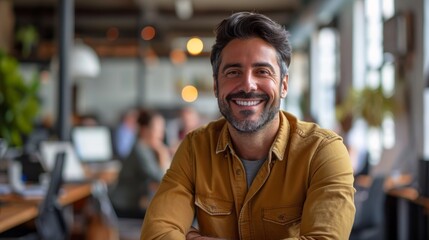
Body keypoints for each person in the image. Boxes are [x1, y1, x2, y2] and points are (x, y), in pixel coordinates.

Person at [141, 12, 355, 239]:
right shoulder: (196, 148)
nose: (247, 84)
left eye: (262, 71)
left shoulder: (322, 151)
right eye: (233, 72)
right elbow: (156, 234)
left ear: (283, 85)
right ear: (216, 86)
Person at [109, 108, 171, 218]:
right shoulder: (140, 149)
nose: (161, 134)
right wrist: (163, 155)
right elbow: (162, 180)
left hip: (135, 203)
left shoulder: (148, 149)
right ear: (144, 129)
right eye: (157, 129)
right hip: (124, 206)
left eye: (162, 129)